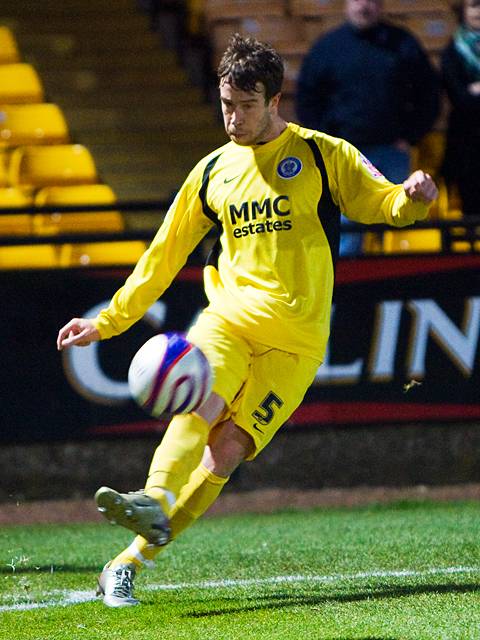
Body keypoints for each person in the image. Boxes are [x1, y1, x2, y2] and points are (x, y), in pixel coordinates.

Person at [56, 34, 438, 608]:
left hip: (299, 343)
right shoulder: (210, 171)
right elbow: (163, 255)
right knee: (199, 398)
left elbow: (383, 204)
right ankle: (155, 498)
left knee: (228, 449)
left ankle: (126, 564)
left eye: (244, 105)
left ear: (275, 98)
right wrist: (108, 321)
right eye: (225, 104)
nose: (232, 118)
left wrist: (415, 198)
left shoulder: (321, 154)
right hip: (229, 320)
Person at [295, 0, 440, 254]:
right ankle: (348, 292)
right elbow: (306, 101)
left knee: (401, 230)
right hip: (345, 158)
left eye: (371, 0)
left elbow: (429, 94)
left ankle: (402, 291)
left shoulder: (403, 43)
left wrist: (411, 136)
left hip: (393, 152)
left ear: (381, 5)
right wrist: (328, 144)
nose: (364, 6)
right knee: (347, 237)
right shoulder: (327, 47)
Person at [441, 0, 480, 217]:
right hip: (468, 148)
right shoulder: (453, 51)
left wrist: (475, 90)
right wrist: (469, 94)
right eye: (474, 5)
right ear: (464, 11)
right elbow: (460, 98)